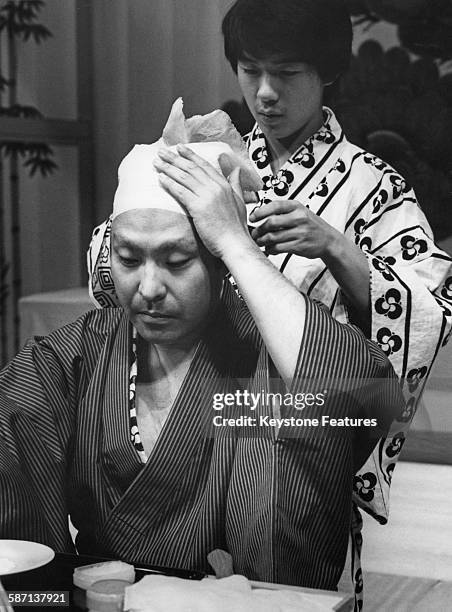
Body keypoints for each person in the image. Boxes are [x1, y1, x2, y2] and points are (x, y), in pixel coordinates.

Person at [87, 0, 452, 606]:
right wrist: (163, 193)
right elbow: (111, 263)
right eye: (250, 69)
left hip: (303, 423)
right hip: (188, 410)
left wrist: (335, 245)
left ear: (328, 70)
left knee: (278, 586)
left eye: (286, 72)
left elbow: (433, 306)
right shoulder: (213, 158)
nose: (264, 93)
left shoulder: (375, 186)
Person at [0, 137, 402, 591]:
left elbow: (369, 397)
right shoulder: (75, 357)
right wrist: (44, 596)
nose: (148, 287)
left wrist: (236, 240)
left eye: (176, 261)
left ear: (219, 262)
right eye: (129, 259)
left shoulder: (261, 358)